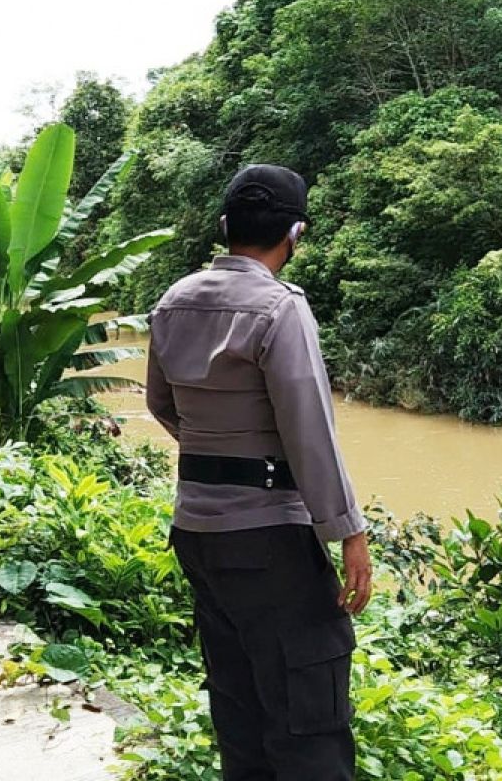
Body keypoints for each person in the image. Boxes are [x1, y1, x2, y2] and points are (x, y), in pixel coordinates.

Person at [146, 165, 373, 780]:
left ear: (225, 226)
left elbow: (161, 405)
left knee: (239, 706)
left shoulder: (173, 301)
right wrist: (348, 531)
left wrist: (220, 453)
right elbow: (310, 432)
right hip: (270, 540)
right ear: (294, 233)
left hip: (197, 532)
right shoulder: (280, 308)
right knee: (309, 717)